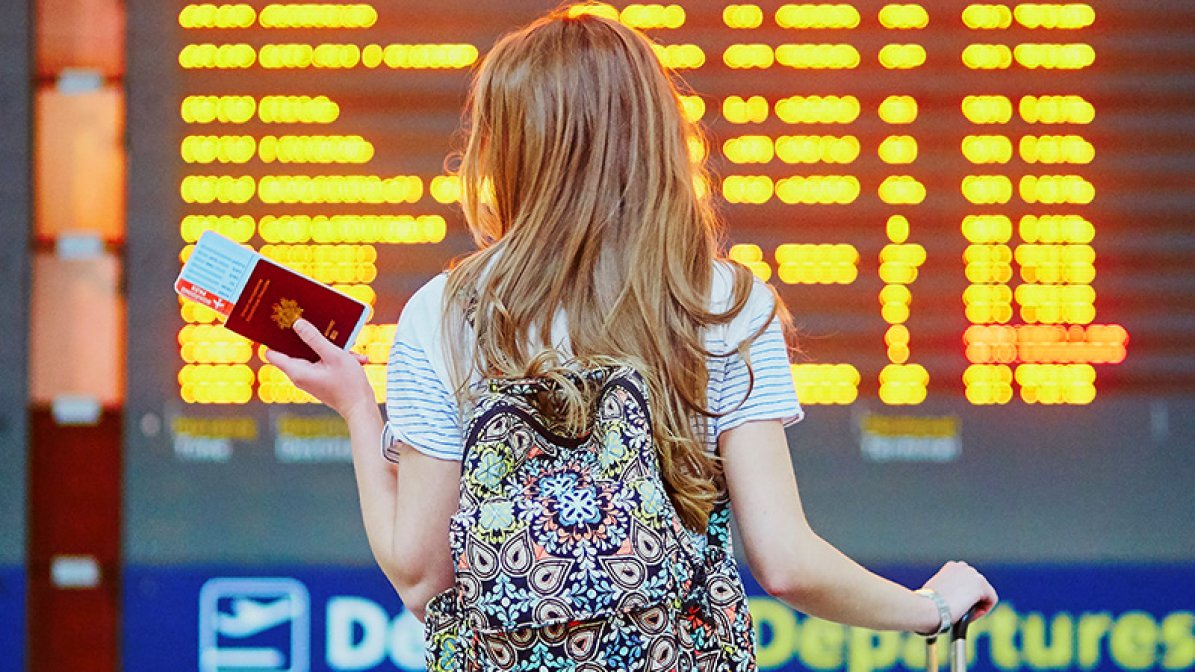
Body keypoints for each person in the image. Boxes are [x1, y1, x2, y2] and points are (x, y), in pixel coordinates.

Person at [267, 5, 997, 667]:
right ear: (654, 135)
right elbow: (785, 564)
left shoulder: (444, 311)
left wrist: (358, 410)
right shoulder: (721, 302)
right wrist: (929, 609)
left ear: (504, 143)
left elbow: (424, 579)